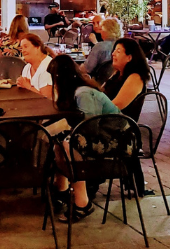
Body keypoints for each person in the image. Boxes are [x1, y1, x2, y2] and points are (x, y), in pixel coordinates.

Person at [47, 54, 120, 222]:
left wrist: (67, 131)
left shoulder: (83, 93)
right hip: (105, 135)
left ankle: (82, 203)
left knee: (69, 145)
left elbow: (89, 128)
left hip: (117, 139)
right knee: (59, 142)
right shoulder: (77, 91)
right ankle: (62, 190)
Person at [103, 38, 149, 120]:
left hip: (120, 126)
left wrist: (93, 111)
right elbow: (101, 91)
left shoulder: (135, 78)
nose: (113, 54)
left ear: (129, 58)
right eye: (114, 50)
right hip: (107, 119)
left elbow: (116, 106)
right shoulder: (118, 74)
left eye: (118, 51)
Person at [16, 33, 53, 99]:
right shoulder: (27, 68)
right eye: (21, 48)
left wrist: (28, 86)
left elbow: (47, 99)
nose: (23, 51)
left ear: (37, 47)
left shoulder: (48, 66)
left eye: (26, 46)